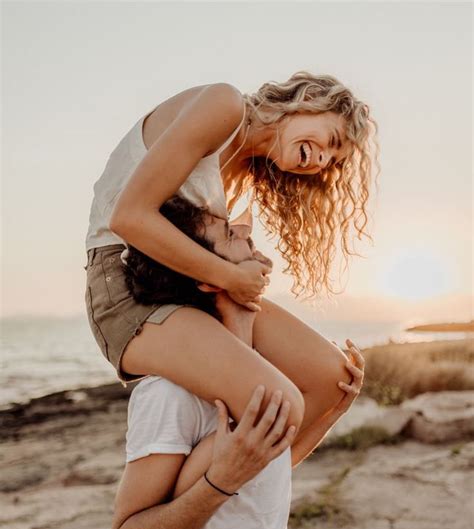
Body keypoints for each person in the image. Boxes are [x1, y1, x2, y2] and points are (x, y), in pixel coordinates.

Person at [84, 70, 378, 446]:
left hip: (191, 287)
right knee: (278, 405)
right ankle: (213, 493)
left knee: (331, 378)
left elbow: (205, 252)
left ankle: (249, 491)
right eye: (330, 141)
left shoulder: (244, 176)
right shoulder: (224, 105)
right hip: (126, 283)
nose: (321, 160)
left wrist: (245, 269)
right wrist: (231, 277)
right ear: (307, 101)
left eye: (332, 161)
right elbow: (128, 218)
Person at [111, 196, 365, 529]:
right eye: (230, 233)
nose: (248, 232)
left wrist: (332, 412)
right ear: (209, 277)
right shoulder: (167, 393)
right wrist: (218, 483)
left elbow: (262, 473)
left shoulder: (267, 377)